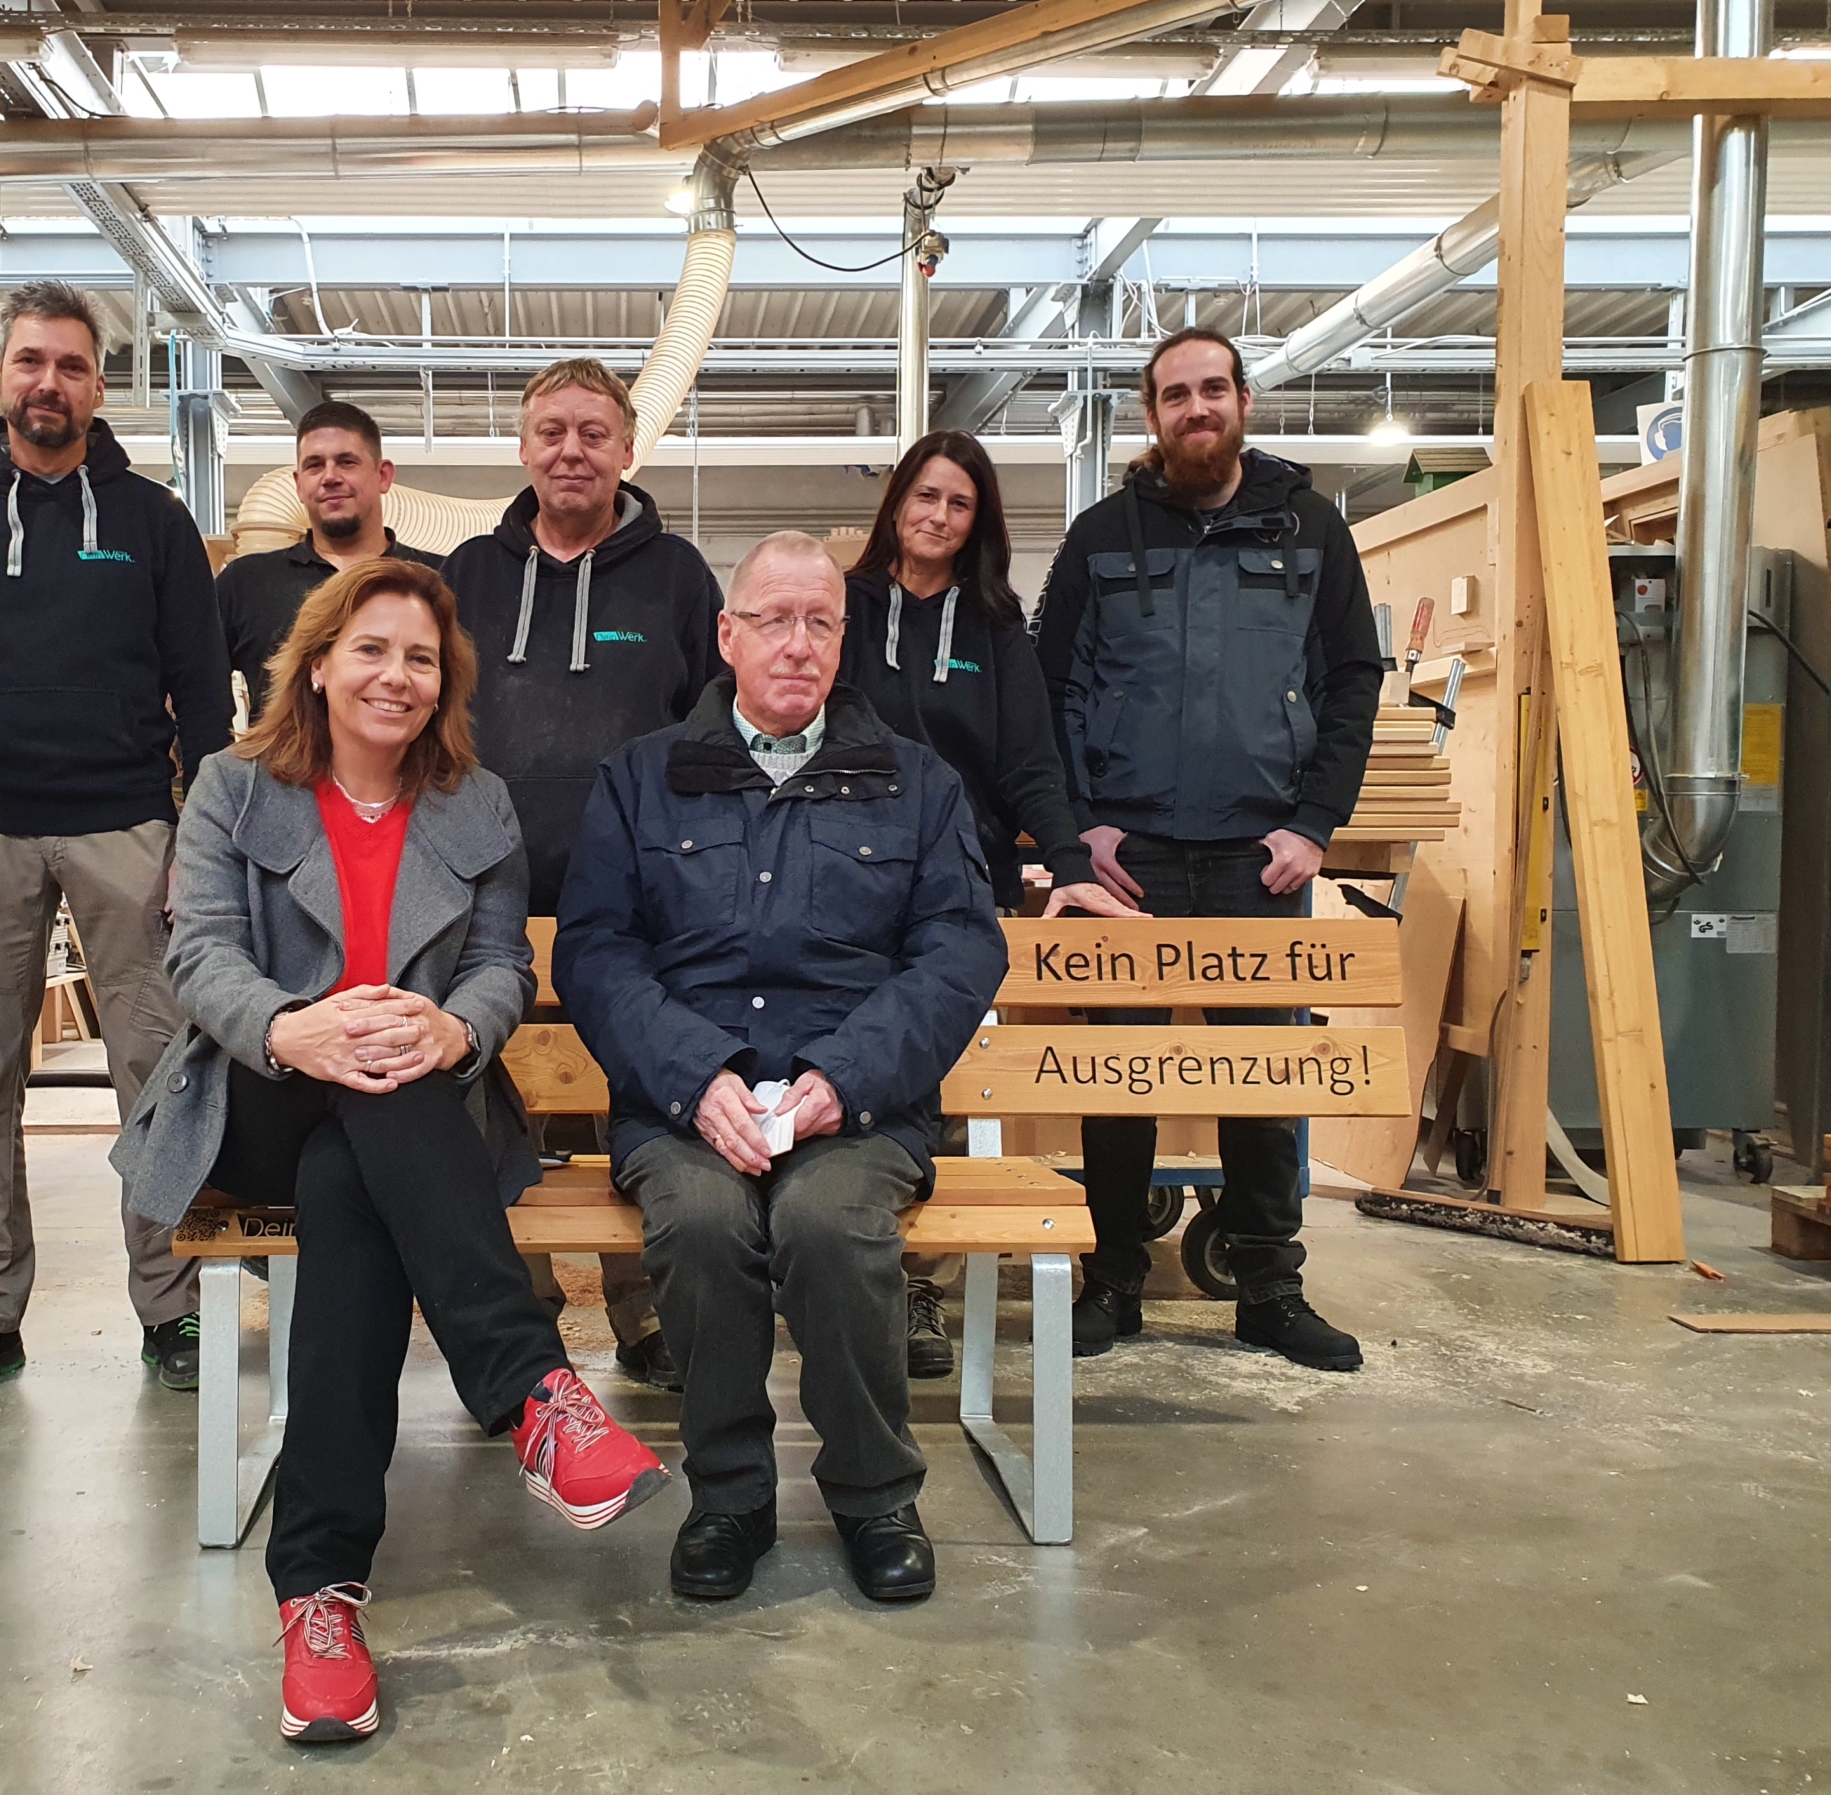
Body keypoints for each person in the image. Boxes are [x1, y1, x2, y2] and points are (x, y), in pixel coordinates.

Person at [114, 557, 669, 1745]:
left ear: (443, 682)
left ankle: (317, 1596)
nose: (395, 675)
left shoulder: (478, 801)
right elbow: (199, 955)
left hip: (416, 1107)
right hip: (263, 1091)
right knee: (354, 1096)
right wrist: (295, 1025)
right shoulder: (230, 788)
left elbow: (499, 968)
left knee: (361, 1155)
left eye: (420, 657)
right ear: (316, 665)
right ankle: (533, 1395)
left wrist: (453, 1024)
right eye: (371, 649)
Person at [556, 531, 1007, 1605]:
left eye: (820, 622)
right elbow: (595, 948)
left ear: (843, 643)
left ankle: (872, 1496)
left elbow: (960, 949)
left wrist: (845, 1078)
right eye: (773, 619)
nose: (796, 644)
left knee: (828, 1222)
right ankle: (729, 1497)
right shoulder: (640, 779)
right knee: (703, 1224)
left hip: (855, 1105)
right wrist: (691, 1075)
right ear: (728, 635)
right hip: (683, 1107)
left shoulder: (917, 784)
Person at [0, 279, 232, 1407]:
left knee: (158, 1080)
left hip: (128, 827)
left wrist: (195, 843)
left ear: (98, 385)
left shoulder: (154, 524)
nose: (48, 383)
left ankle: (172, 1308)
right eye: (30, 362)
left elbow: (203, 698)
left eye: (71, 366)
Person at [1031, 326, 1383, 1372]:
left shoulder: (1312, 526)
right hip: (1128, 857)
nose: (1197, 408)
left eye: (1213, 389)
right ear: (1151, 416)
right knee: (1118, 1074)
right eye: (1176, 394)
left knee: (1265, 1075)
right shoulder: (1100, 536)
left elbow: (1351, 679)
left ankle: (1271, 1290)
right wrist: (1084, 826)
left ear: (1242, 401)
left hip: (1254, 854)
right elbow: (1049, 689)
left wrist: (1313, 823)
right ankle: (1114, 1284)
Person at [442, 358, 724, 1393]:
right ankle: (523, 1329)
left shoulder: (679, 578)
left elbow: (711, 738)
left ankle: (644, 1309)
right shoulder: (467, 574)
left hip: (638, 901)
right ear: (524, 447)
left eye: (592, 433)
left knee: (633, 1107)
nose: (571, 450)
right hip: (484, 901)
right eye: (551, 431)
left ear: (625, 448)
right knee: (495, 1111)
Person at [841, 429, 1145, 1380]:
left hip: (953, 886)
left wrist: (1067, 858)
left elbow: (1028, 766)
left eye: (958, 504)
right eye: (924, 496)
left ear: (980, 523)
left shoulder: (995, 632)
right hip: (839, 877)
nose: (936, 516)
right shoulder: (840, 610)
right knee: (844, 1073)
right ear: (896, 501)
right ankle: (838, 1265)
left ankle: (914, 1285)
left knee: (933, 1089)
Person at [215, 399, 443, 720]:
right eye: (314, 465)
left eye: (347, 462)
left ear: (383, 476)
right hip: (279, 770)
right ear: (298, 484)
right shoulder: (244, 583)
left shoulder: (438, 581)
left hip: (410, 771)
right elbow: (197, 687)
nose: (330, 476)